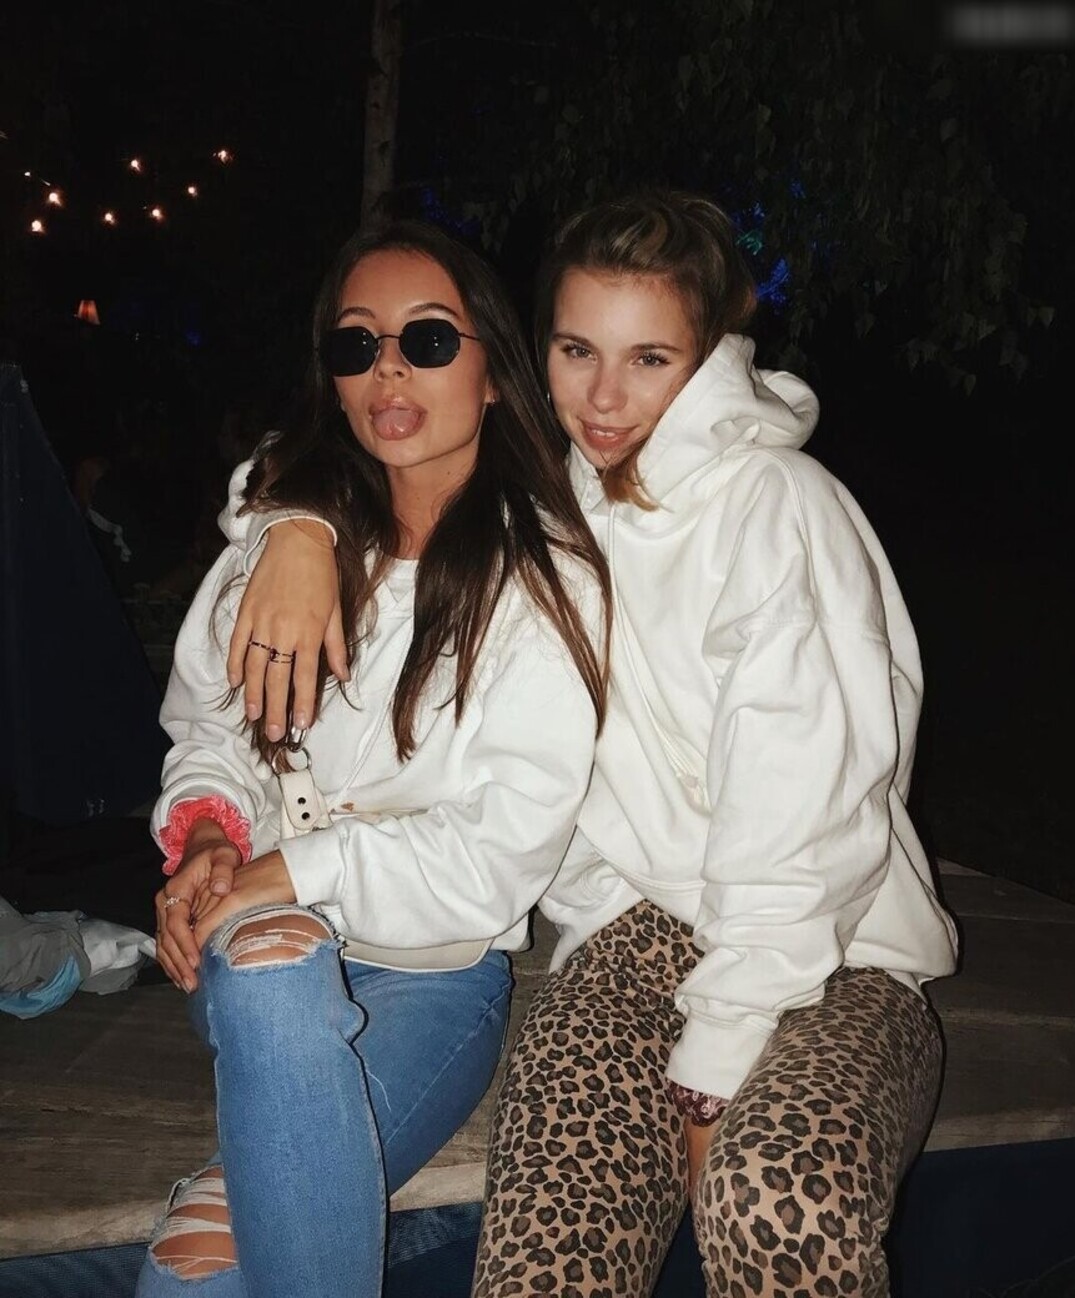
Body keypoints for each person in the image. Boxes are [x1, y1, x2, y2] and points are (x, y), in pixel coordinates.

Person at [220, 191, 958, 1298]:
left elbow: (802, 802)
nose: (606, 398)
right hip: (629, 939)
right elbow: (367, 454)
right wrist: (295, 524)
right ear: (539, 352)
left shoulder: (776, 507)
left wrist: (716, 1061)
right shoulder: (553, 497)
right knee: (546, 1250)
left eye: (649, 358)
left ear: (708, 355)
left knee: (771, 1201)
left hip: (832, 947)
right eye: (577, 351)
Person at [136, 219, 609, 1298]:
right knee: (270, 961)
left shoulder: (545, 583)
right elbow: (210, 731)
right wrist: (208, 835)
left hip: (432, 976)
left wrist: (290, 870)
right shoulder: (286, 551)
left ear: (495, 371)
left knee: (196, 1277)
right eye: (357, 345)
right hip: (256, 955)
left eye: (427, 340)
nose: (387, 367)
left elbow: (497, 858)